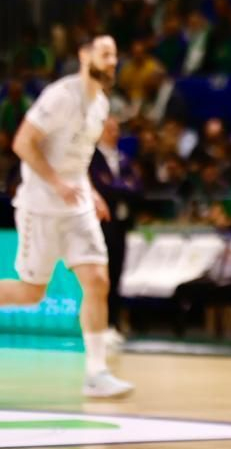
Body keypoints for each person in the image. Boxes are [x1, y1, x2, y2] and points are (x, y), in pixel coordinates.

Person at [0, 35, 134, 398]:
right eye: (105, 53)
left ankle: (96, 373)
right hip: (41, 206)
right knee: (30, 293)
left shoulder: (102, 104)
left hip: (77, 207)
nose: (111, 61)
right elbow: (23, 143)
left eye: (114, 55)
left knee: (97, 281)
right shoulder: (61, 95)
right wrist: (57, 182)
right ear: (84, 54)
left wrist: (89, 190)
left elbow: (79, 158)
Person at [89, 117, 141, 345]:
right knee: (101, 277)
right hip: (99, 225)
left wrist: (118, 188)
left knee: (117, 275)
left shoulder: (124, 158)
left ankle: (113, 323)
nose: (114, 132)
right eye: (109, 128)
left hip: (120, 225)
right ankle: (98, 326)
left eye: (117, 129)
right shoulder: (91, 158)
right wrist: (121, 188)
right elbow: (102, 187)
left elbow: (137, 187)